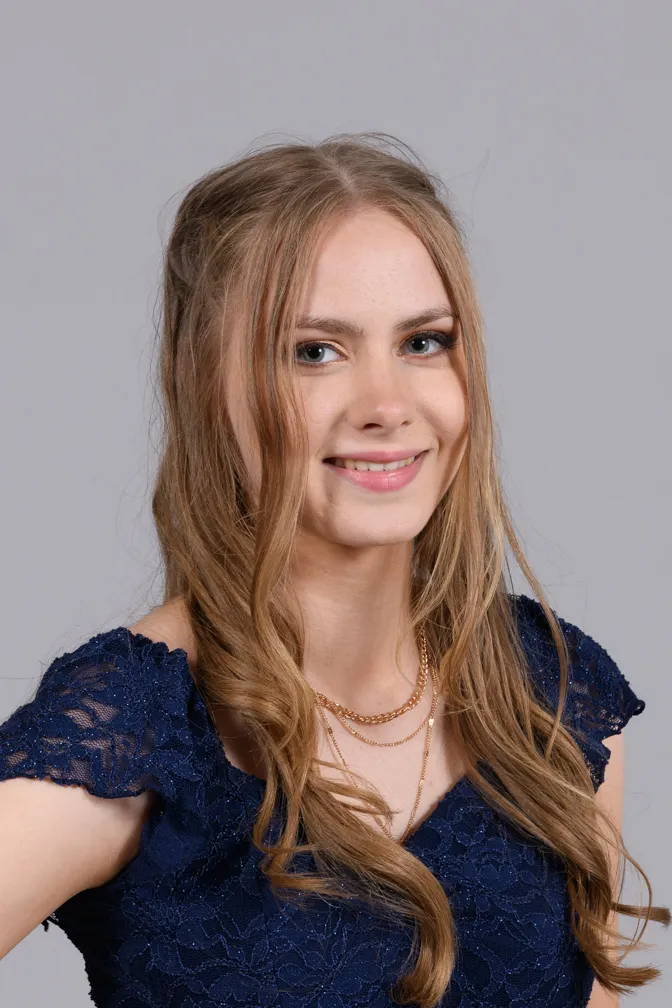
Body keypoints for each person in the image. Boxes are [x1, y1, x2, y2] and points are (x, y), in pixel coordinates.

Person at [0, 133, 668, 1008]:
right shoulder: (140, 726)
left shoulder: (548, 699)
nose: (388, 406)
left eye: (425, 342)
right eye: (315, 351)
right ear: (210, 385)